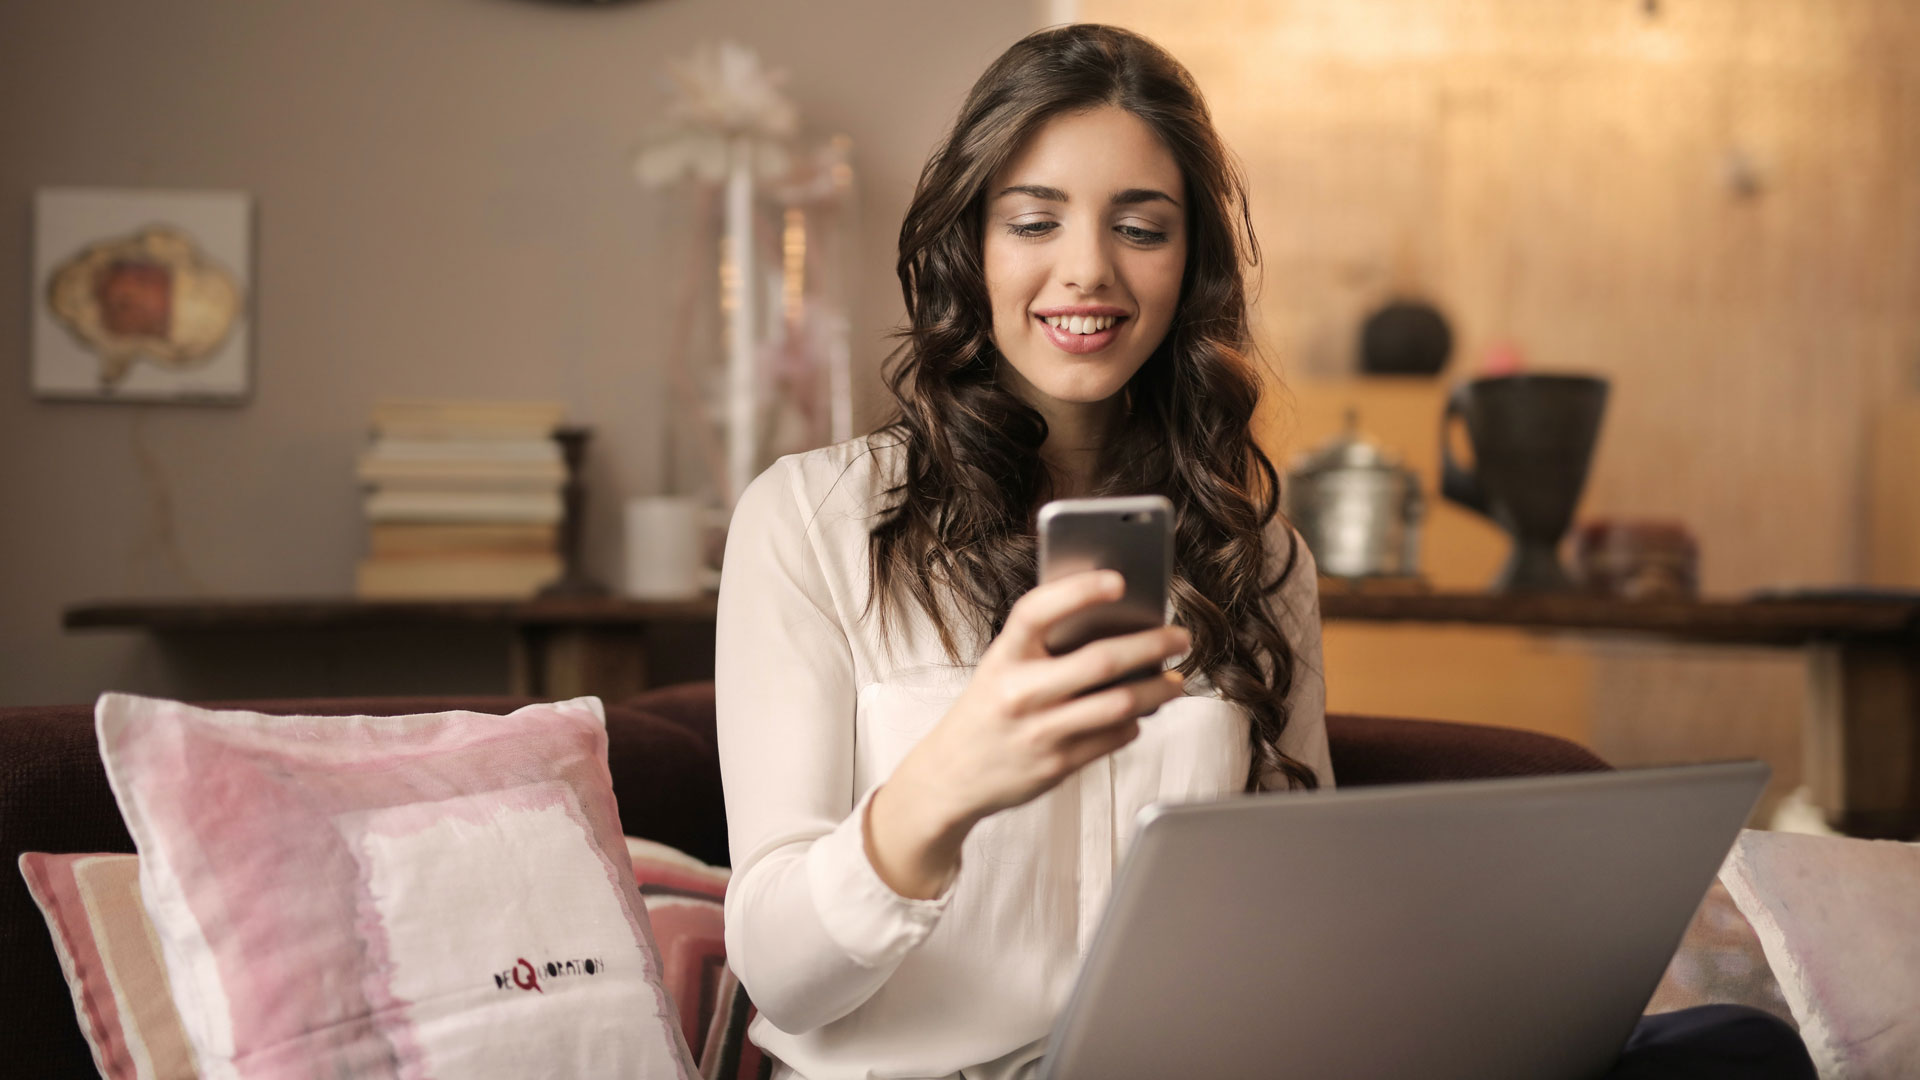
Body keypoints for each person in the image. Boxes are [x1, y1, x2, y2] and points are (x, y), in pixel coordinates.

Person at [714, 23, 1813, 1080]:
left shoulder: (1257, 558)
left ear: (1188, 264)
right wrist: (945, 785)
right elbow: (781, 976)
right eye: (1034, 221)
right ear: (970, 242)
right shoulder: (814, 523)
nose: (1088, 271)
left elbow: (1296, 909)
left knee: (1738, 1049)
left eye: (1141, 226)